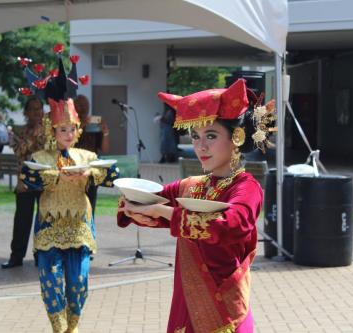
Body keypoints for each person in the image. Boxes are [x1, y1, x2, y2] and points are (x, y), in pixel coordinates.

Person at [117, 79, 276, 333]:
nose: (201, 146)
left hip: (225, 311)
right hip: (186, 307)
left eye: (211, 136)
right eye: (195, 137)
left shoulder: (246, 188)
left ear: (236, 137)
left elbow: (230, 226)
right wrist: (132, 202)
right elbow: (155, 199)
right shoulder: (192, 185)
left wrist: (162, 212)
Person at [20, 47, 119, 333]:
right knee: (51, 282)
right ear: (53, 131)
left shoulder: (86, 156)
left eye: (71, 129)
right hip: (50, 228)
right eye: (62, 129)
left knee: (78, 283)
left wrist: (89, 174)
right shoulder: (41, 158)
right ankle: (59, 329)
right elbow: (29, 179)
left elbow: (112, 174)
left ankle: (72, 326)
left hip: (78, 228)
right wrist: (56, 177)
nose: (67, 134)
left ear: (77, 129)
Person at [1, 96, 45, 269]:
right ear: (26, 112)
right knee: (21, 220)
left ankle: (41, 255)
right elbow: (19, 151)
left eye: (39, 109)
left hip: (45, 182)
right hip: (25, 182)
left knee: (43, 221)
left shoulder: (50, 131)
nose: (36, 113)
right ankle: (16, 257)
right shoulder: (19, 131)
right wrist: (32, 136)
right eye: (32, 109)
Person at [74, 94, 110, 217]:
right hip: (75, 172)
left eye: (85, 105)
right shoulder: (70, 126)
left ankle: (89, 232)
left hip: (91, 172)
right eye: (79, 105)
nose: (83, 108)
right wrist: (81, 126)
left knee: (90, 207)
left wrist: (105, 132)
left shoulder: (94, 126)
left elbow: (104, 149)